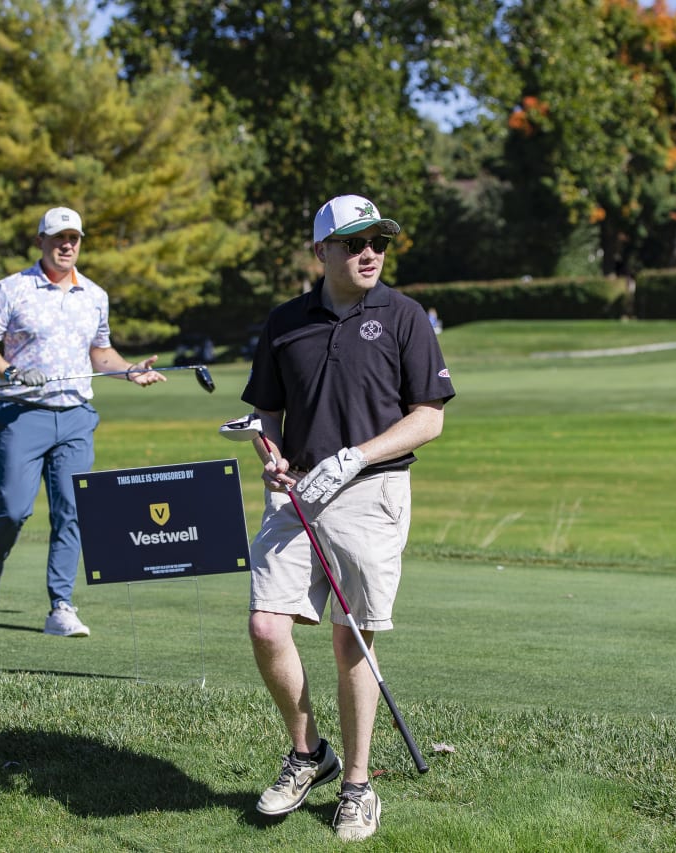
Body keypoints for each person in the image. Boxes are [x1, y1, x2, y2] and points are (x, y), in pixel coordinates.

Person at [239, 194, 454, 842]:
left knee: (349, 638)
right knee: (266, 623)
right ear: (320, 253)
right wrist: (269, 453)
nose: (370, 253)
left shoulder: (403, 315)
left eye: (379, 243)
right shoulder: (285, 322)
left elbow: (430, 414)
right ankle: (310, 753)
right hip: (298, 491)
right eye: (355, 242)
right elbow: (265, 414)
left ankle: (358, 785)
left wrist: (356, 455)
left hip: (372, 488)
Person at [0, 206, 166, 636]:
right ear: (40, 241)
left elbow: (100, 353)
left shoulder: (94, 295)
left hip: (76, 415)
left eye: (74, 238)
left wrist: (128, 369)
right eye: (58, 238)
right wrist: (11, 372)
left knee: (72, 512)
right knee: (14, 510)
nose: (67, 245)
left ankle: (61, 605)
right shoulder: (12, 289)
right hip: (23, 414)